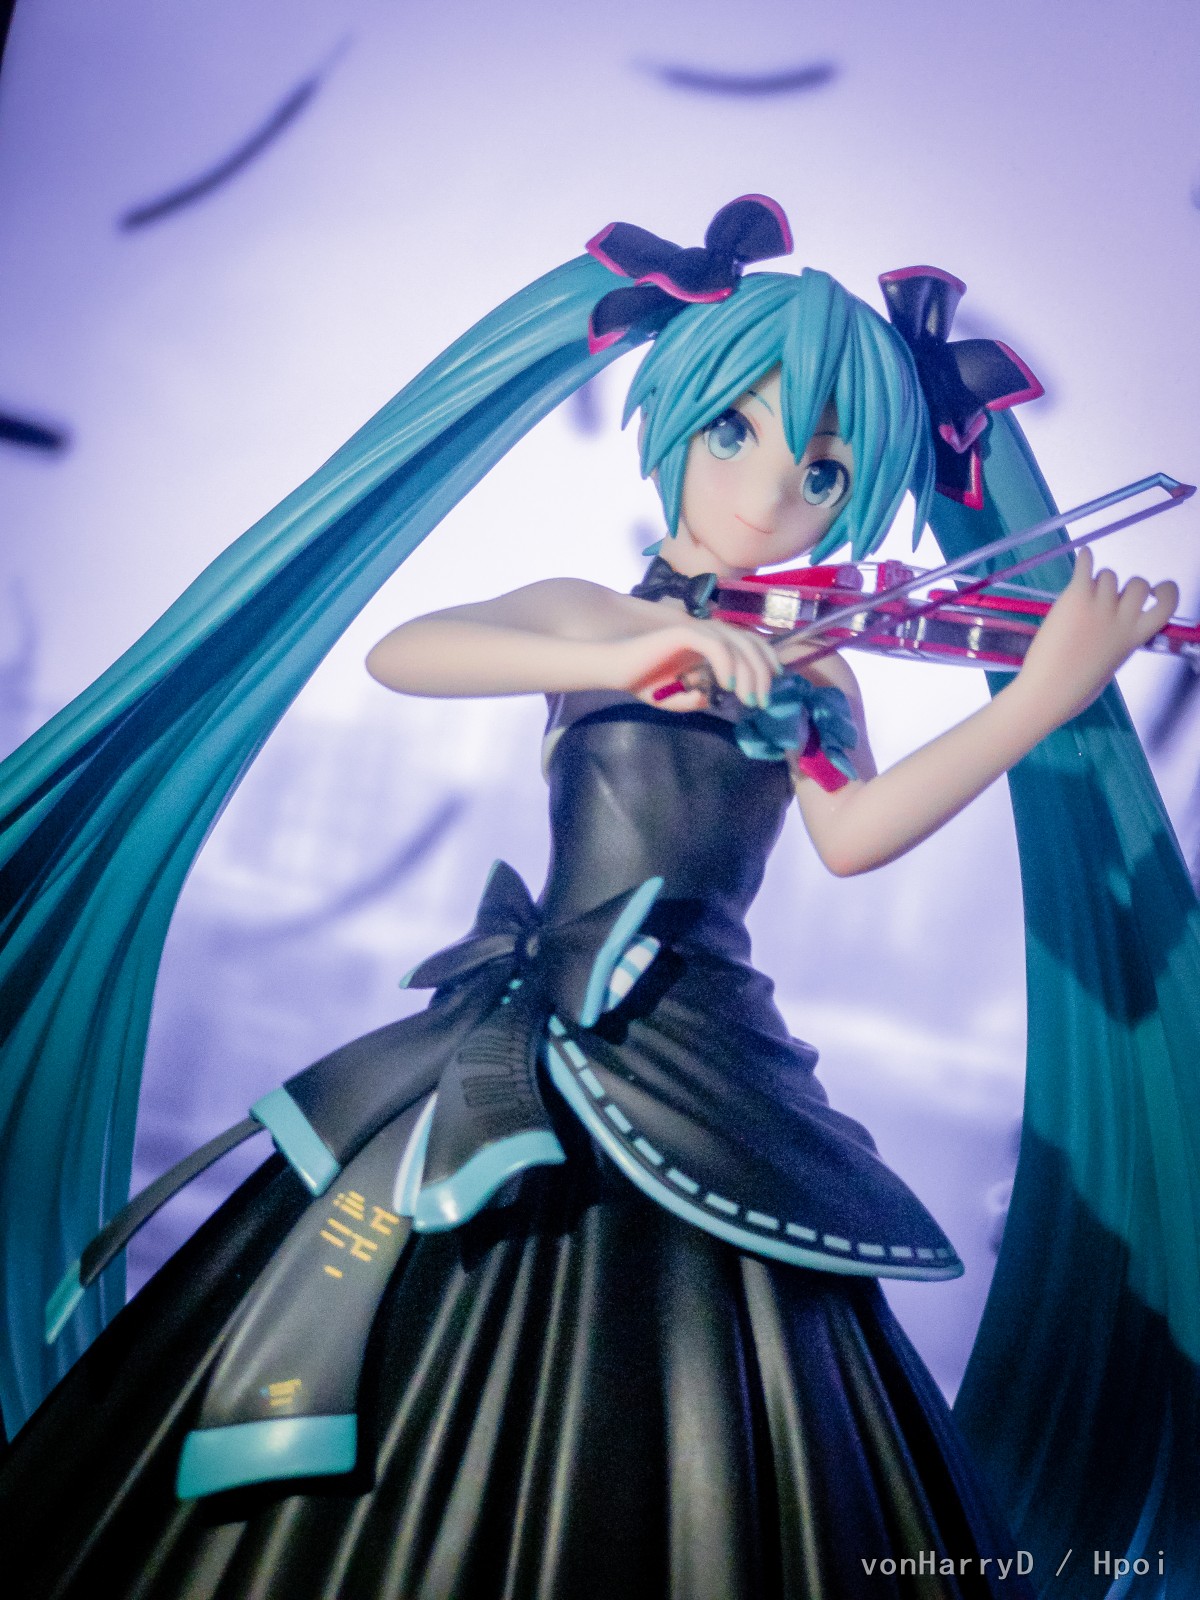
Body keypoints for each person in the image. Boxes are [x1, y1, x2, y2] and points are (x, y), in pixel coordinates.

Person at [0, 196, 1196, 1598]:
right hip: (530, 1022)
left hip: (715, 1052)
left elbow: (856, 835)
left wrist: (1039, 697)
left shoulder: (817, 662)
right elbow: (408, 652)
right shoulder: (597, 612)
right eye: (734, 433)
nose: (768, 498)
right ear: (674, 417)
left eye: (821, 471)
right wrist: (631, 655)